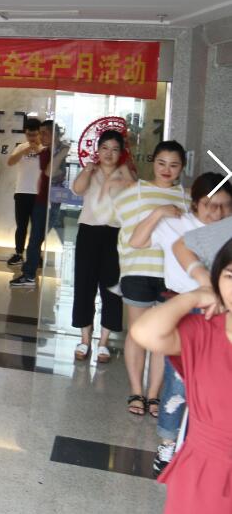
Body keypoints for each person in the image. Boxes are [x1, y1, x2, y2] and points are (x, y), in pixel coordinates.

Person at [130, 173, 232, 474]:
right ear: (195, 203)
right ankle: (168, 442)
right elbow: (143, 242)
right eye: (209, 204)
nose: (217, 212)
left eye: (225, 205)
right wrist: (204, 286)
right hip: (186, 310)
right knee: (178, 384)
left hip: (222, 314)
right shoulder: (180, 225)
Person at [130, 238, 232, 513]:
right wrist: (193, 297)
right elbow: (144, 332)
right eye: (230, 276)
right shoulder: (205, 330)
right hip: (203, 474)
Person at [108, 141, 190, 417]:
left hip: (173, 277)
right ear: (153, 162)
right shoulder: (136, 191)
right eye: (161, 163)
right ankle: (136, 391)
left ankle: (154, 394)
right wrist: (159, 212)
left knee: (162, 336)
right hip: (138, 271)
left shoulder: (186, 198)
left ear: (182, 167)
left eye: (174, 165)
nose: (167, 169)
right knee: (137, 333)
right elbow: (127, 232)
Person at [68, 129, 135, 363]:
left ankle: (104, 342)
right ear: (97, 150)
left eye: (115, 149)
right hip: (89, 232)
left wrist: (124, 168)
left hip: (115, 234)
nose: (109, 153)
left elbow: (135, 191)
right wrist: (88, 169)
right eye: (105, 148)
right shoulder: (91, 170)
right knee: (84, 285)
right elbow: (77, 189)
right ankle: (85, 339)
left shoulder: (125, 173)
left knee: (111, 288)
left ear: (121, 152)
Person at [9, 120, 64, 289]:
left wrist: (59, 151)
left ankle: (31, 267)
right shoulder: (30, 149)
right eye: (32, 134)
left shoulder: (51, 151)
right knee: (26, 230)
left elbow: (53, 173)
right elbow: (11, 162)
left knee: (37, 235)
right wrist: (26, 150)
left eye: (42, 133)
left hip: (46, 198)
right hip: (29, 194)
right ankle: (23, 260)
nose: (37, 137)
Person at [5, 118, 42, 266]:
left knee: (37, 228)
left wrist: (39, 151)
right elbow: (10, 162)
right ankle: (19, 254)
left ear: (40, 133)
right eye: (28, 135)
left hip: (39, 194)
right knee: (21, 226)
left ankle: (36, 255)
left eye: (34, 135)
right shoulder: (21, 147)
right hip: (21, 192)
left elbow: (50, 168)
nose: (31, 138)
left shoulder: (45, 149)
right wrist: (23, 151)